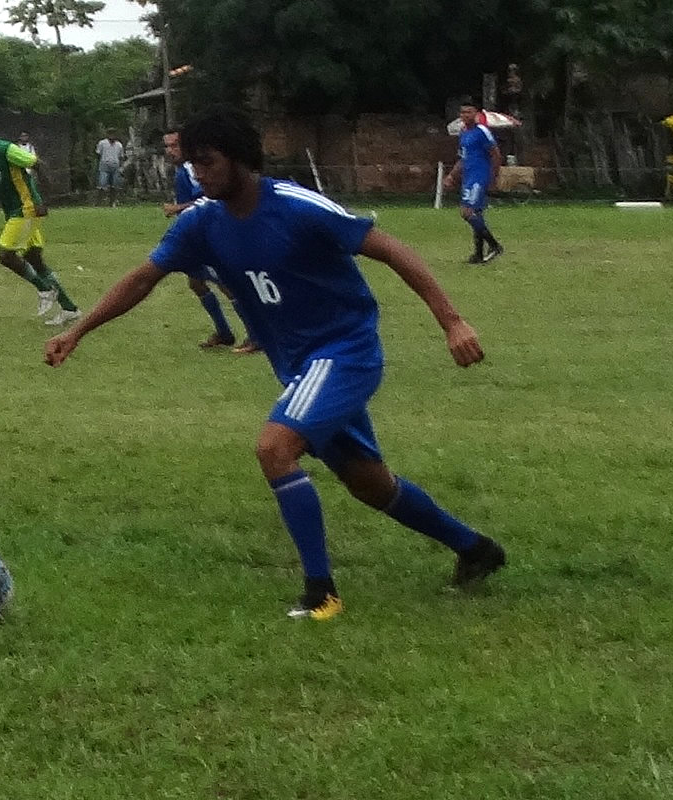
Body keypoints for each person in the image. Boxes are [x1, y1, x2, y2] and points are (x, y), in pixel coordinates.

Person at [45, 105, 505, 622]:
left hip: (344, 352)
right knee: (369, 483)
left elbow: (393, 250)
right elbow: (142, 278)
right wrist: (77, 330)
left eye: (207, 161)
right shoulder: (201, 222)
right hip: (299, 366)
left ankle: (321, 593)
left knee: (274, 449)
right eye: (192, 162)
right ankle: (476, 549)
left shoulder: (297, 207)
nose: (197, 172)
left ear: (240, 159)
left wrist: (452, 322)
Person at [0, 124, 82, 326]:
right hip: (12, 211)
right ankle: (70, 309)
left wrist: (43, 200)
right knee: (34, 259)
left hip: (27, 207)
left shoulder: (5, 149)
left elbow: (37, 164)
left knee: (5, 255)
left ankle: (44, 288)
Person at [161, 127, 258, 353]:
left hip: (209, 235)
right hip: (194, 237)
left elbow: (209, 199)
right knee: (196, 283)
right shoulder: (181, 171)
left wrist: (177, 208)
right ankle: (224, 333)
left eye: (175, 145)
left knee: (225, 284)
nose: (170, 151)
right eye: (167, 146)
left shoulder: (192, 169)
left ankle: (256, 337)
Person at [443, 101, 505, 264]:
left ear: (476, 113)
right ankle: (478, 254)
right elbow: (463, 158)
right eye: (462, 112)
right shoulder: (464, 133)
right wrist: (451, 176)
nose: (465, 115)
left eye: (468, 112)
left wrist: (493, 177)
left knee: (467, 212)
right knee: (476, 214)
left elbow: (496, 154)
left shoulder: (482, 131)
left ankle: (494, 245)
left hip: (479, 176)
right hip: (468, 177)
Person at [95, 128, 125, 205]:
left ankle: (112, 202)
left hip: (115, 166)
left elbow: (121, 157)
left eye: (114, 134)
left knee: (114, 185)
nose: (112, 136)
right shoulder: (102, 143)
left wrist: (121, 167)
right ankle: (99, 202)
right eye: (110, 134)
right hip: (104, 166)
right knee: (102, 183)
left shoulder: (119, 145)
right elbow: (98, 154)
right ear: (107, 135)